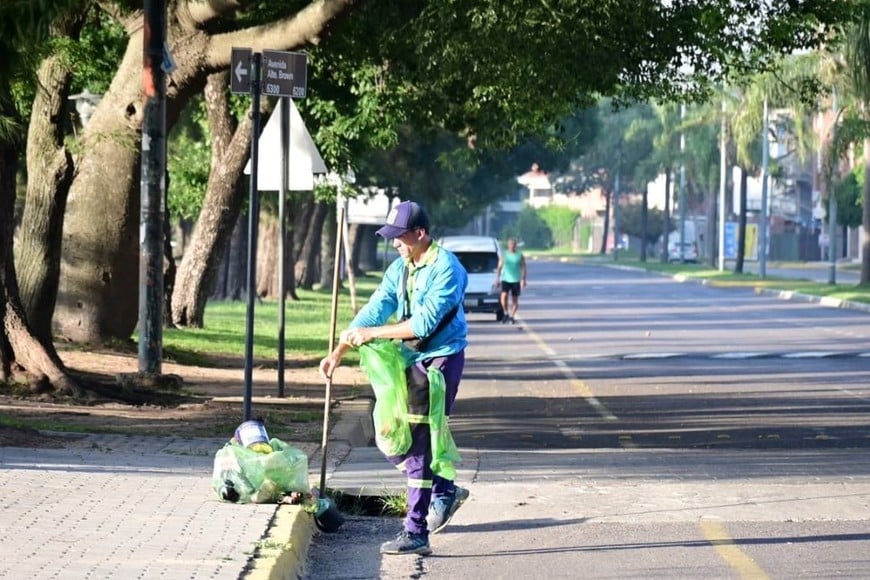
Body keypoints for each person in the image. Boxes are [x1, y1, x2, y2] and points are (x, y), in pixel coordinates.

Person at [319, 200, 470, 556]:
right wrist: (339, 350)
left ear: (420, 234)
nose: (395, 244)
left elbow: (422, 325)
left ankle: (415, 531)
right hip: (408, 357)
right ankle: (444, 487)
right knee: (389, 433)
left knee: (417, 442)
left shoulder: (447, 269)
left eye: (400, 237)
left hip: (441, 360)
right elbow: (376, 307)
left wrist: (373, 335)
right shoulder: (400, 267)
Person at [495, 238, 527, 324]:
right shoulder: (504, 254)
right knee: (504, 296)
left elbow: (523, 267)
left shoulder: (519, 255)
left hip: (516, 279)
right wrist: (497, 279)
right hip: (505, 279)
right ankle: (506, 313)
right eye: (511, 244)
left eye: (514, 244)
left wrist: (523, 279)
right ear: (508, 245)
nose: (512, 246)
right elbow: (499, 267)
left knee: (514, 299)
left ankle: (512, 316)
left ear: (516, 245)